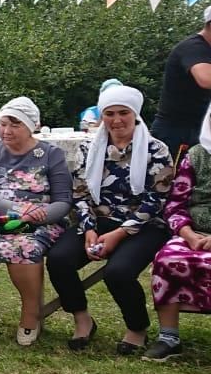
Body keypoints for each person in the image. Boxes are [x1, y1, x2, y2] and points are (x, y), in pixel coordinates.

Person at [48, 83, 173, 355]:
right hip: (99, 220)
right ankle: (83, 320)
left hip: (145, 224)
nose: (116, 120)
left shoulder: (156, 149)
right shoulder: (88, 148)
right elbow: (79, 192)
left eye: (123, 113)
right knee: (59, 259)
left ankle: (137, 328)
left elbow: (157, 199)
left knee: (119, 272)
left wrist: (120, 234)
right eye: (110, 114)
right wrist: (89, 229)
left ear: (135, 114)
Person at [0, 97, 74, 346]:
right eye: (3, 124)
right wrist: (17, 208)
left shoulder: (50, 154)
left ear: (32, 125)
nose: (7, 131)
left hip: (40, 221)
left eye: (15, 124)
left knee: (25, 247)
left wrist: (38, 214)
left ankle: (29, 317)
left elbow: (64, 199)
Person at [148, 102, 211, 361]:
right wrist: (189, 235)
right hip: (194, 233)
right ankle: (169, 337)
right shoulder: (196, 155)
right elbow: (175, 204)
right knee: (168, 259)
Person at [151, 5, 211, 158]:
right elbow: (205, 79)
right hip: (177, 132)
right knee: (176, 181)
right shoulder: (194, 47)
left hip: (198, 129)